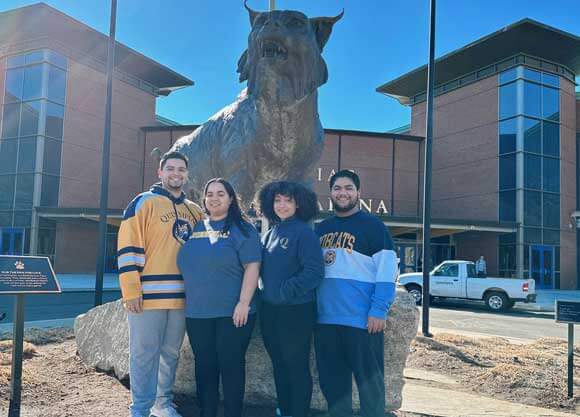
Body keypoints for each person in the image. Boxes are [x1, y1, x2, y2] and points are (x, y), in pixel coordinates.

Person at [117, 151, 203, 417]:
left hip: (182, 298)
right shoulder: (143, 202)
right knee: (144, 354)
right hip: (147, 295)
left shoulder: (196, 210)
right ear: (160, 173)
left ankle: (162, 404)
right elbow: (128, 247)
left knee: (170, 354)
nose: (176, 174)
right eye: (170, 169)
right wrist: (131, 290)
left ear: (187, 175)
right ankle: (140, 409)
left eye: (181, 169)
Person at [314, 170, 398, 417]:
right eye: (338, 188)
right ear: (330, 193)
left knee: (370, 384)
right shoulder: (322, 229)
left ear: (358, 193)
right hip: (326, 320)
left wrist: (379, 309)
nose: (343, 192)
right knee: (333, 384)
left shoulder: (373, 226)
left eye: (349, 188)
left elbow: (387, 270)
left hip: (362, 321)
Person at [177, 178, 261, 417]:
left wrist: (243, 303)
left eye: (220, 193)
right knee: (204, 367)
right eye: (209, 193)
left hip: (232, 314)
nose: (214, 198)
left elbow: (252, 267)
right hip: (197, 314)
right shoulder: (196, 228)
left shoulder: (242, 229)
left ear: (231, 198)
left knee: (231, 368)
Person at [258, 181, 325, 417]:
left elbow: (315, 272)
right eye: (277, 200)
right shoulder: (269, 234)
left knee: (296, 366)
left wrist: (286, 290)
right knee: (279, 364)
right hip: (270, 312)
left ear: (298, 204)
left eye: (288, 200)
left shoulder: (304, 233)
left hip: (296, 312)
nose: (282, 205)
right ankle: (283, 410)